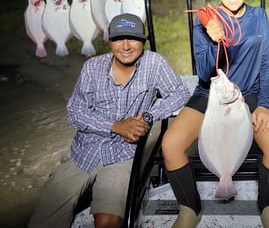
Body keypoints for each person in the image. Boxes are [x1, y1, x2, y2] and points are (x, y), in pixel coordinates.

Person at [28, 13, 190, 228]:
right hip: (83, 152)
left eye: (133, 39)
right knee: (42, 222)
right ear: (109, 41)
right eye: (118, 39)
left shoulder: (155, 63)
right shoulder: (92, 67)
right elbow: (74, 111)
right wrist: (116, 126)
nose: (125, 46)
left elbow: (180, 93)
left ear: (143, 41)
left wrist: (150, 116)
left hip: (124, 156)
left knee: (108, 223)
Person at [161, 0, 269, 228]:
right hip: (210, 93)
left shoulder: (259, 16)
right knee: (170, 144)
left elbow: (267, 64)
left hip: (250, 93)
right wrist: (210, 36)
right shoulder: (203, 21)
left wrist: (265, 104)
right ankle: (188, 208)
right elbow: (205, 71)